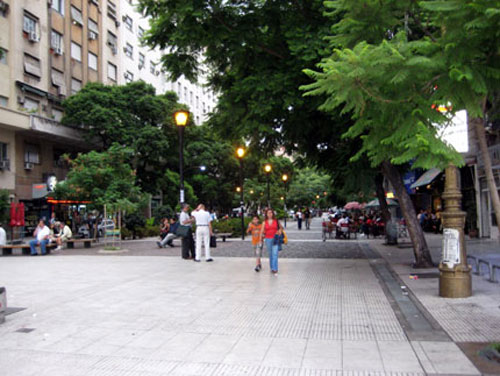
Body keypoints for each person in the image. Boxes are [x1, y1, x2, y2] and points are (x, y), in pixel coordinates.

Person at [259, 208, 283, 275]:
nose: (270, 214)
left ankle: (275, 269)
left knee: (275, 254)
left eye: (271, 213)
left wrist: (279, 231)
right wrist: (260, 239)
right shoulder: (264, 222)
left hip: (275, 239)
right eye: (268, 213)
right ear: (266, 214)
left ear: (273, 214)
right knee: (270, 254)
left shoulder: (276, 221)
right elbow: (261, 231)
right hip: (268, 239)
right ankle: (272, 267)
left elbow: (281, 227)